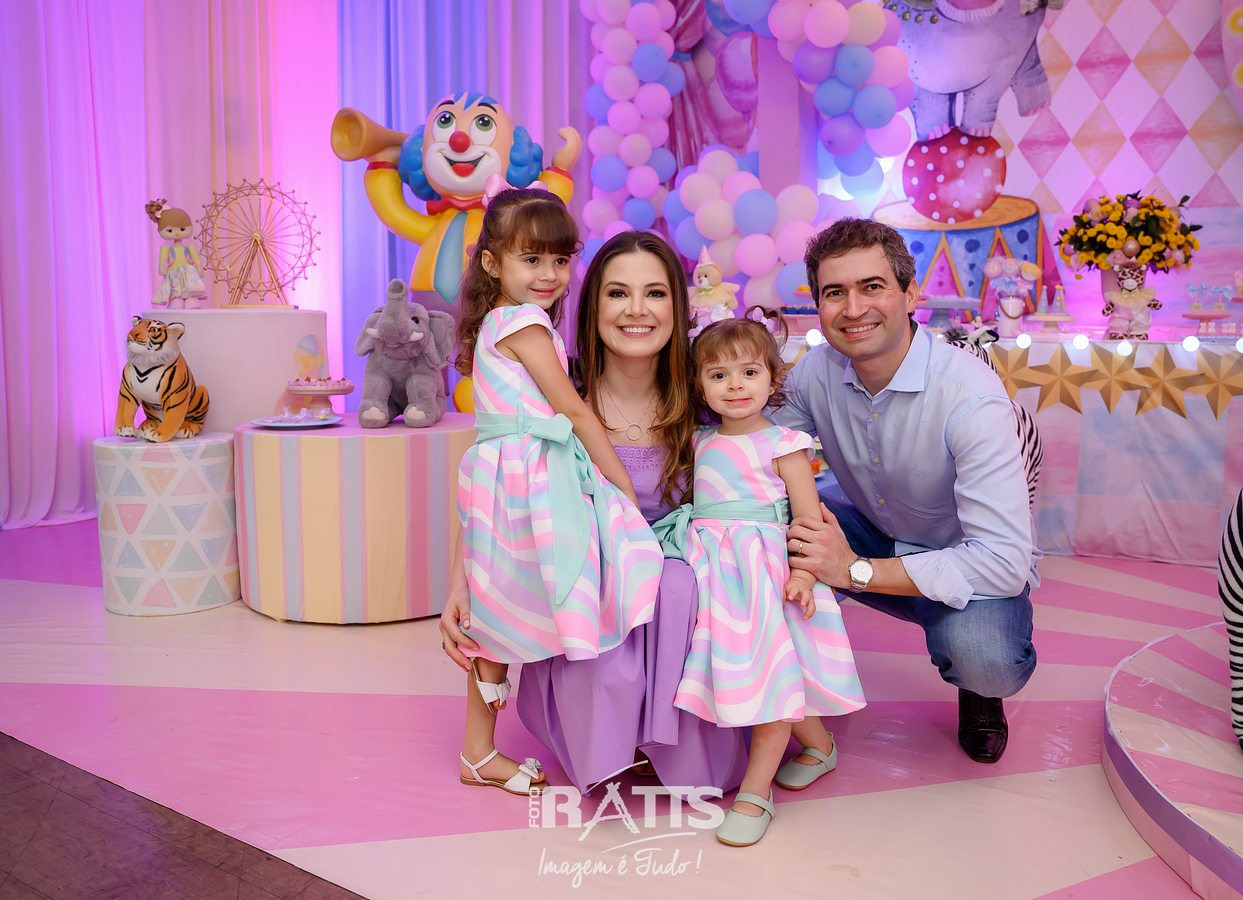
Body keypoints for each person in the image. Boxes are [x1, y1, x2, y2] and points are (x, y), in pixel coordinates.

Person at [441, 230, 749, 795]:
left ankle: (668, 736)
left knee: (676, 583)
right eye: (617, 293)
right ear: (592, 305)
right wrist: (462, 583)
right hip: (593, 592)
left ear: (677, 306)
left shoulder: (711, 394)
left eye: (655, 293)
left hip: (683, 601)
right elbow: (501, 484)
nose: (636, 310)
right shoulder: (555, 390)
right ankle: (606, 738)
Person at [773, 217, 1039, 764]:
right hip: (870, 531)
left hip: (960, 553)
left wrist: (854, 571)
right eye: (834, 293)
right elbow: (759, 448)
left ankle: (977, 691)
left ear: (910, 294)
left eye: (872, 287)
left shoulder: (970, 396)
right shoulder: (815, 373)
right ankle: (772, 688)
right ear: (817, 305)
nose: (853, 309)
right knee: (761, 526)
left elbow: (1004, 562)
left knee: (988, 658)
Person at [449, 189, 663, 796]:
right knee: (540, 596)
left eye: (560, 260)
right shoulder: (522, 322)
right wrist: (622, 488)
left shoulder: (497, 323)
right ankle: (495, 747)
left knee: (499, 609)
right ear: (492, 263)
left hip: (506, 476)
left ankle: (479, 749)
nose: (549, 274)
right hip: (529, 481)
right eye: (531, 259)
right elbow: (572, 409)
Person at [654, 310, 864, 847]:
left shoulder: (784, 444)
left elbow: (809, 519)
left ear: (772, 380)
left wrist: (803, 575)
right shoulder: (700, 441)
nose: (735, 385)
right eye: (718, 375)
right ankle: (821, 746)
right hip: (716, 576)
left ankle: (755, 792)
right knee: (760, 674)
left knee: (771, 677)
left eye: (749, 372)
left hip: (766, 575)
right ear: (700, 384)